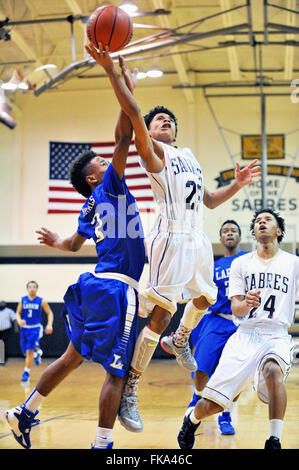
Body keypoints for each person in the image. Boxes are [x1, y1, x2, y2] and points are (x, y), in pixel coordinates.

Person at [84, 42, 261, 433]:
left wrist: (237, 184)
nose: (163, 121)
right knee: (161, 313)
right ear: (149, 133)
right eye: (157, 120)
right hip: (170, 237)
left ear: (176, 129)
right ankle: (131, 385)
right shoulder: (155, 155)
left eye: (168, 119)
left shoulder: (191, 157)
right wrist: (115, 75)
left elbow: (210, 202)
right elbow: (132, 113)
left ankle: (180, 339)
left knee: (204, 299)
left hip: (197, 238)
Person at [5, 64, 145, 449]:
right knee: (116, 373)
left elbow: (73, 245)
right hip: (116, 287)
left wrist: (55, 243)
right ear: (94, 178)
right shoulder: (111, 186)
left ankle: (25, 410)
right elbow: (124, 136)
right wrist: (123, 86)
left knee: (70, 359)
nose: (109, 161)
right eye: (101, 163)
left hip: (95, 285)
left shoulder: (88, 207)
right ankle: (102, 445)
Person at [177, 208, 299, 450]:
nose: (262, 223)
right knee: (213, 405)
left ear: (279, 230)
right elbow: (236, 307)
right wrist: (247, 303)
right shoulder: (241, 264)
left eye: (268, 220)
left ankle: (274, 439)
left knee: (274, 372)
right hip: (244, 335)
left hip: (276, 335)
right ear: (254, 232)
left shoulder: (293, 263)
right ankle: (191, 418)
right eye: (258, 221)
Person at [184, 219, 247, 435]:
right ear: (220, 238)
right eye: (225, 231)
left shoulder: (248, 261)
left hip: (241, 323)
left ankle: (225, 415)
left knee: (235, 375)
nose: (229, 233)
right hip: (217, 319)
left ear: (240, 236)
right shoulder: (214, 265)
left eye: (234, 230)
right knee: (200, 368)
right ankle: (197, 398)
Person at [15, 281, 54, 382]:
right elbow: (17, 313)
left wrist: (49, 325)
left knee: (28, 353)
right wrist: (19, 321)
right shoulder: (22, 300)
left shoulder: (41, 301)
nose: (32, 288)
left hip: (35, 329)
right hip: (24, 329)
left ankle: (26, 373)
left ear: (37, 289)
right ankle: (37, 354)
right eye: (30, 287)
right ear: (27, 289)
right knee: (25, 353)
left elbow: (50, 313)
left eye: (34, 287)